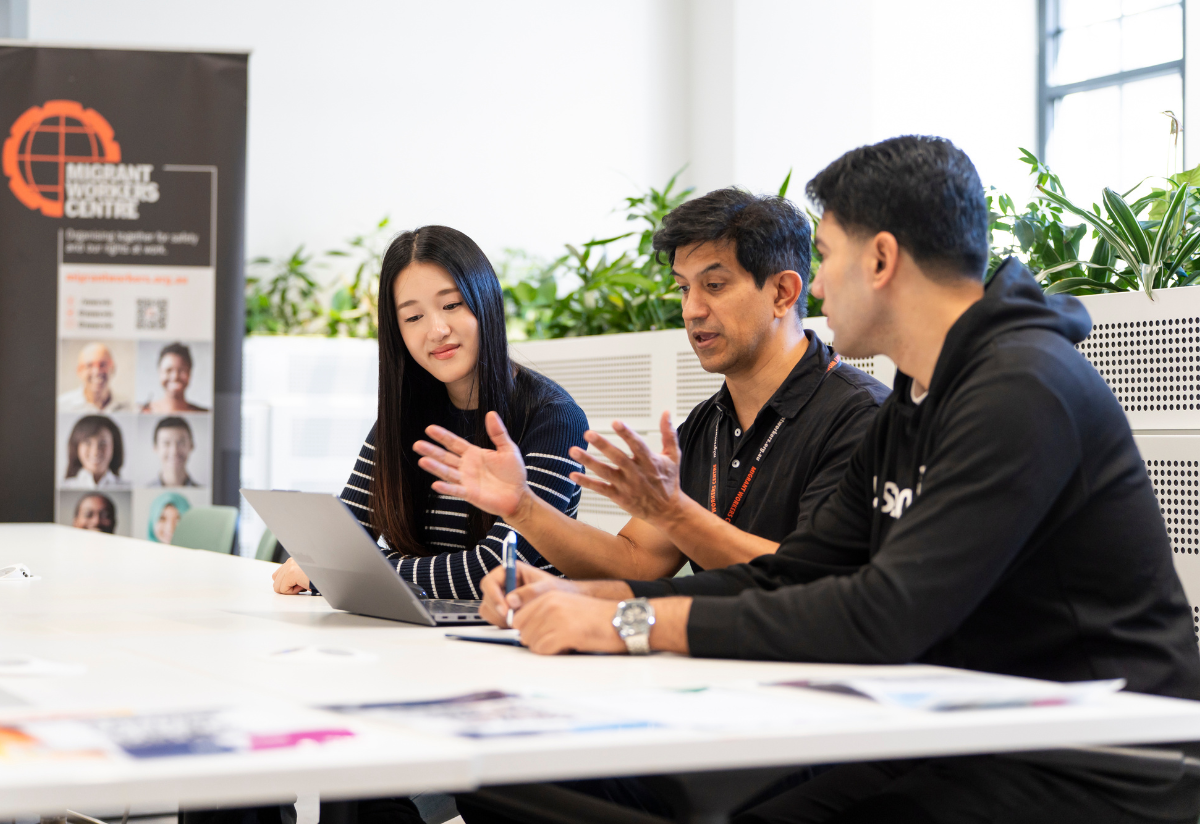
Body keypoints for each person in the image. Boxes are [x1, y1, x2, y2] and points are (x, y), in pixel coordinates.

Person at [475, 137, 1200, 824]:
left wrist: (626, 625)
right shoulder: (919, 398)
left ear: (881, 259)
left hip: (1103, 757)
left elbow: (883, 614)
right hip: (968, 731)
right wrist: (597, 596)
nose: (815, 283)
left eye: (823, 256)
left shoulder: (1021, 386)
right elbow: (794, 574)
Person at [415, 189, 888, 584]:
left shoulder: (860, 416)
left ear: (783, 292)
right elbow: (635, 561)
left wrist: (674, 513)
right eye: (684, 288)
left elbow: (817, 580)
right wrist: (522, 508)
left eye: (715, 285)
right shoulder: (706, 426)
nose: (692, 310)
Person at [271, 225, 589, 600]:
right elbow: (341, 542)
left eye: (451, 305)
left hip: (519, 640)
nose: (437, 330)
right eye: (413, 317)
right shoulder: (405, 415)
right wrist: (330, 564)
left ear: (485, 302)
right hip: (420, 639)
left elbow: (495, 572)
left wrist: (362, 568)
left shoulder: (554, 417)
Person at [58, 342, 130, 413]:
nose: (97, 371)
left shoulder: (129, 407)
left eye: (102, 364)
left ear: (113, 368)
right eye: (89, 365)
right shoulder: (61, 406)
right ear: (79, 371)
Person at [61, 415, 127, 489]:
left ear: (114, 447)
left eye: (103, 443)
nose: (95, 452)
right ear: (76, 446)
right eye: (87, 442)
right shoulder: (64, 487)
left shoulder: (127, 488)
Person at [141, 342, 208, 413]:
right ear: (159, 372)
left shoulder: (204, 412)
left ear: (189, 372)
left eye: (181, 370)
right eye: (168, 370)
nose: (175, 376)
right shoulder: (144, 411)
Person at [149, 417, 198, 487]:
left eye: (181, 443)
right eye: (166, 443)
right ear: (155, 448)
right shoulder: (141, 494)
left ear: (191, 446)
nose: (174, 451)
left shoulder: (207, 494)